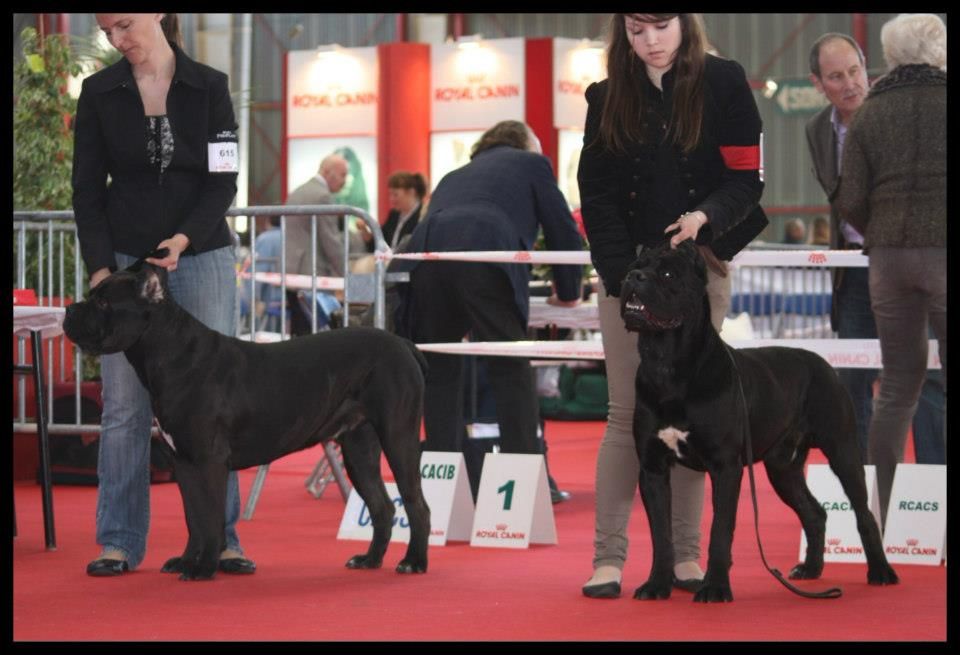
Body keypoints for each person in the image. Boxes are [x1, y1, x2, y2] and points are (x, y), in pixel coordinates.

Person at [577, 13, 767, 598]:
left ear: (686, 24)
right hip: (629, 276)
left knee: (693, 416)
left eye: (661, 26)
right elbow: (597, 196)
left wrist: (706, 216)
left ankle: (687, 558)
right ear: (621, 34)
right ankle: (607, 561)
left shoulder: (726, 82)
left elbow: (746, 178)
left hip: (696, 271)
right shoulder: (606, 96)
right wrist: (619, 280)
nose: (650, 41)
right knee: (625, 414)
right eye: (636, 30)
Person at [71, 13, 255, 576]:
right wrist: (102, 270)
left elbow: (223, 179)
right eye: (107, 32)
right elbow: (86, 190)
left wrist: (184, 238)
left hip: (200, 258)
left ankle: (221, 540)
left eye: (124, 24)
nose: (117, 39)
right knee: (125, 407)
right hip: (124, 268)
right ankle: (120, 541)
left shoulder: (210, 86)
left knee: (214, 404)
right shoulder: (98, 92)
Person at [395, 120, 583, 468]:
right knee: (509, 363)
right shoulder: (532, 163)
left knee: (440, 365)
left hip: (427, 256)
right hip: (485, 253)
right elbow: (562, 228)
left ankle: (441, 470)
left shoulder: (454, 175)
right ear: (526, 144)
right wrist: (570, 290)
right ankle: (521, 472)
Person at [807, 31, 946, 470]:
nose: (850, 83)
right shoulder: (817, 130)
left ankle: (929, 483)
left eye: (855, 71)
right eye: (836, 76)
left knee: (920, 381)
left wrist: (883, 231)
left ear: (870, 66)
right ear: (818, 83)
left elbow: (856, 198)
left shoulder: (887, 111)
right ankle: (859, 483)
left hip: (899, 259)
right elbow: (838, 196)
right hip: (854, 270)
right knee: (856, 381)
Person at [359, 171, 427, 253]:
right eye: (390, 195)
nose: (391, 199)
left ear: (411, 192)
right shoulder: (394, 215)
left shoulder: (423, 216)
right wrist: (364, 230)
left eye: (395, 195)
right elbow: (380, 243)